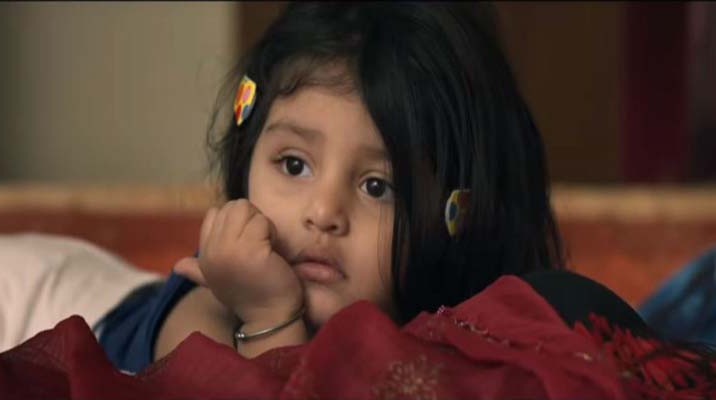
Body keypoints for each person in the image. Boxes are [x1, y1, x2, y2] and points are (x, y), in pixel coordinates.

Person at [95, 2, 568, 372]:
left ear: (456, 215)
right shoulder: (208, 306)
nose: (323, 213)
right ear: (248, 154)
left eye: (377, 187)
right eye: (294, 165)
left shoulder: (447, 324)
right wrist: (268, 315)